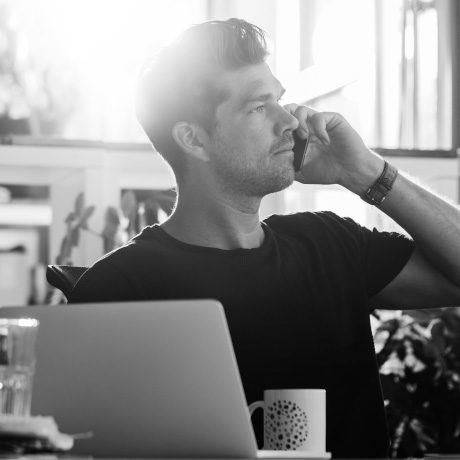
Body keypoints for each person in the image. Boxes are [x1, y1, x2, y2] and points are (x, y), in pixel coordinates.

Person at [69, 18, 460, 457]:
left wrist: (363, 172)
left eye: (280, 99)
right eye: (259, 107)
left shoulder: (328, 243)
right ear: (193, 139)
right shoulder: (119, 289)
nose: (290, 121)